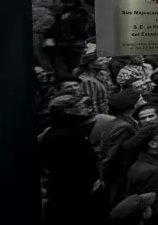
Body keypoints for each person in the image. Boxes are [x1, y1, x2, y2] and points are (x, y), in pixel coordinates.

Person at [40, 94, 97, 225]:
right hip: (70, 196)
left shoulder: (72, 130)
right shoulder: (63, 135)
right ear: (67, 111)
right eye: (82, 106)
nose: (87, 109)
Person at [101, 90, 144, 207]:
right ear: (133, 106)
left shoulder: (123, 121)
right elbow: (114, 155)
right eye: (141, 100)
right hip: (121, 177)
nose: (144, 101)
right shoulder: (124, 127)